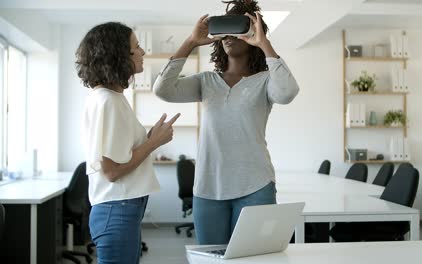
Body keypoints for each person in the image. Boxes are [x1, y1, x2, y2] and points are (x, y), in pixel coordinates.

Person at [153, 0, 299, 245]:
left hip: (256, 186)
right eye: (224, 30)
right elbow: (163, 90)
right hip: (209, 187)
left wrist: (264, 43)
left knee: (254, 260)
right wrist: (190, 42)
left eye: (237, 28)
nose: (229, 36)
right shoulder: (206, 81)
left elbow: (287, 92)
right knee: (211, 258)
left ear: (251, 32)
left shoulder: (265, 81)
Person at [78, 22, 180, 263]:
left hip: (121, 208)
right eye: (137, 47)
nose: (143, 52)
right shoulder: (108, 101)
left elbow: (118, 155)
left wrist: (149, 138)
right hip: (117, 209)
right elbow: (112, 171)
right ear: (117, 54)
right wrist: (153, 143)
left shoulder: (110, 97)